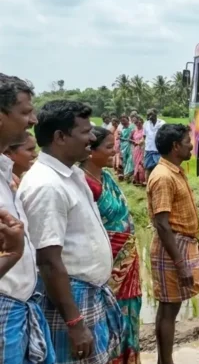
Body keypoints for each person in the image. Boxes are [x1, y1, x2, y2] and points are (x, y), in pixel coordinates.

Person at [19, 100, 121, 363]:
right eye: (85, 132)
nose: (91, 138)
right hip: (69, 299)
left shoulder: (71, 175)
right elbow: (48, 261)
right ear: (60, 137)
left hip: (85, 292)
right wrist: (75, 322)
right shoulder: (47, 185)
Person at [0, 73, 55, 362]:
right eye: (24, 112)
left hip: (20, 310)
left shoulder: (6, 174)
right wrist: (13, 254)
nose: (33, 120)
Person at [147, 124, 199, 364]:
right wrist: (180, 263)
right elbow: (163, 224)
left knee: (169, 308)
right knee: (168, 309)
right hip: (171, 248)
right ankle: (166, 361)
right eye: (187, 142)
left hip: (179, 245)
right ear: (175, 147)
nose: (192, 146)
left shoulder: (174, 171)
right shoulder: (163, 177)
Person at [81, 126, 142, 364]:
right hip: (108, 272)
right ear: (90, 152)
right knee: (110, 324)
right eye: (108, 147)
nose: (114, 151)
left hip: (127, 269)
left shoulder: (106, 177)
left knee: (129, 319)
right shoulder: (85, 184)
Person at [142, 109, 165, 181]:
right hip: (149, 149)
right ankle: (148, 186)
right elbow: (144, 136)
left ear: (156, 114)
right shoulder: (146, 124)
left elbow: (165, 136)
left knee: (160, 168)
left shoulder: (162, 123)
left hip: (158, 150)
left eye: (151, 114)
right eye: (148, 115)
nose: (149, 116)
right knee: (148, 168)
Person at [130, 116, 145, 185]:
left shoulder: (144, 130)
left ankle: (142, 180)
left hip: (142, 149)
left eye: (139, 123)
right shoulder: (134, 131)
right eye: (136, 123)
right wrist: (133, 142)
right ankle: (136, 179)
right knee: (136, 164)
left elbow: (143, 139)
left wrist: (139, 142)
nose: (138, 124)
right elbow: (131, 139)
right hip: (136, 149)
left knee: (141, 164)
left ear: (142, 122)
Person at [120, 115, 134, 182]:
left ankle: (128, 174)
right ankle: (125, 174)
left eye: (124, 120)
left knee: (130, 159)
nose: (123, 122)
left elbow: (131, 138)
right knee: (124, 159)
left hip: (129, 145)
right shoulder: (122, 128)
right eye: (122, 121)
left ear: (128, 120)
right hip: (123, 145)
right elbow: (121, 137)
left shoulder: (131, 127)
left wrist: (122, 138)